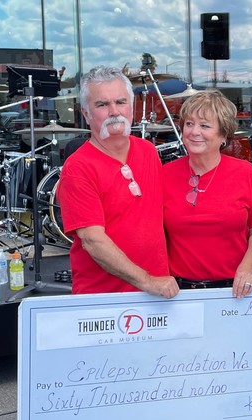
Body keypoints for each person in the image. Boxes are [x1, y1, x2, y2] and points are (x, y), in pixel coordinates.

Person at [57, 65, 179, 298]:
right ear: (86, 114)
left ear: (132, 107)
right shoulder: (78, 168)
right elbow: (93, 240)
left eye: (121, 102)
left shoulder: (148, 151)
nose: (114, 111)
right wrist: (148, 281)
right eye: (102, 104)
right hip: (103, 299)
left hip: (157, 294)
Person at [163, 90, 252, 298]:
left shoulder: (244, 173)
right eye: (189, 124)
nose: (194, 132)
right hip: (177, 294)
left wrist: (248, 266)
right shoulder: (164, 174)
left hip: (233, 292)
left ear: (223, 135)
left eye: (204, 125)